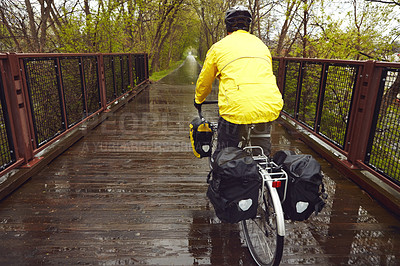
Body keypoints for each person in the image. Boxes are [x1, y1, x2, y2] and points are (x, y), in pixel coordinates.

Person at [194, 5, 283, 157]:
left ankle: (224, 171)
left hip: (234, 107)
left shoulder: (218, 47)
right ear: (248, 27)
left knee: (226, 153)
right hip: (269, 105)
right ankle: (262, 165)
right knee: (260, 151)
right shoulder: (262, 46)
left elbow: (205, 81)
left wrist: (199, 99)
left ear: (227, 27)